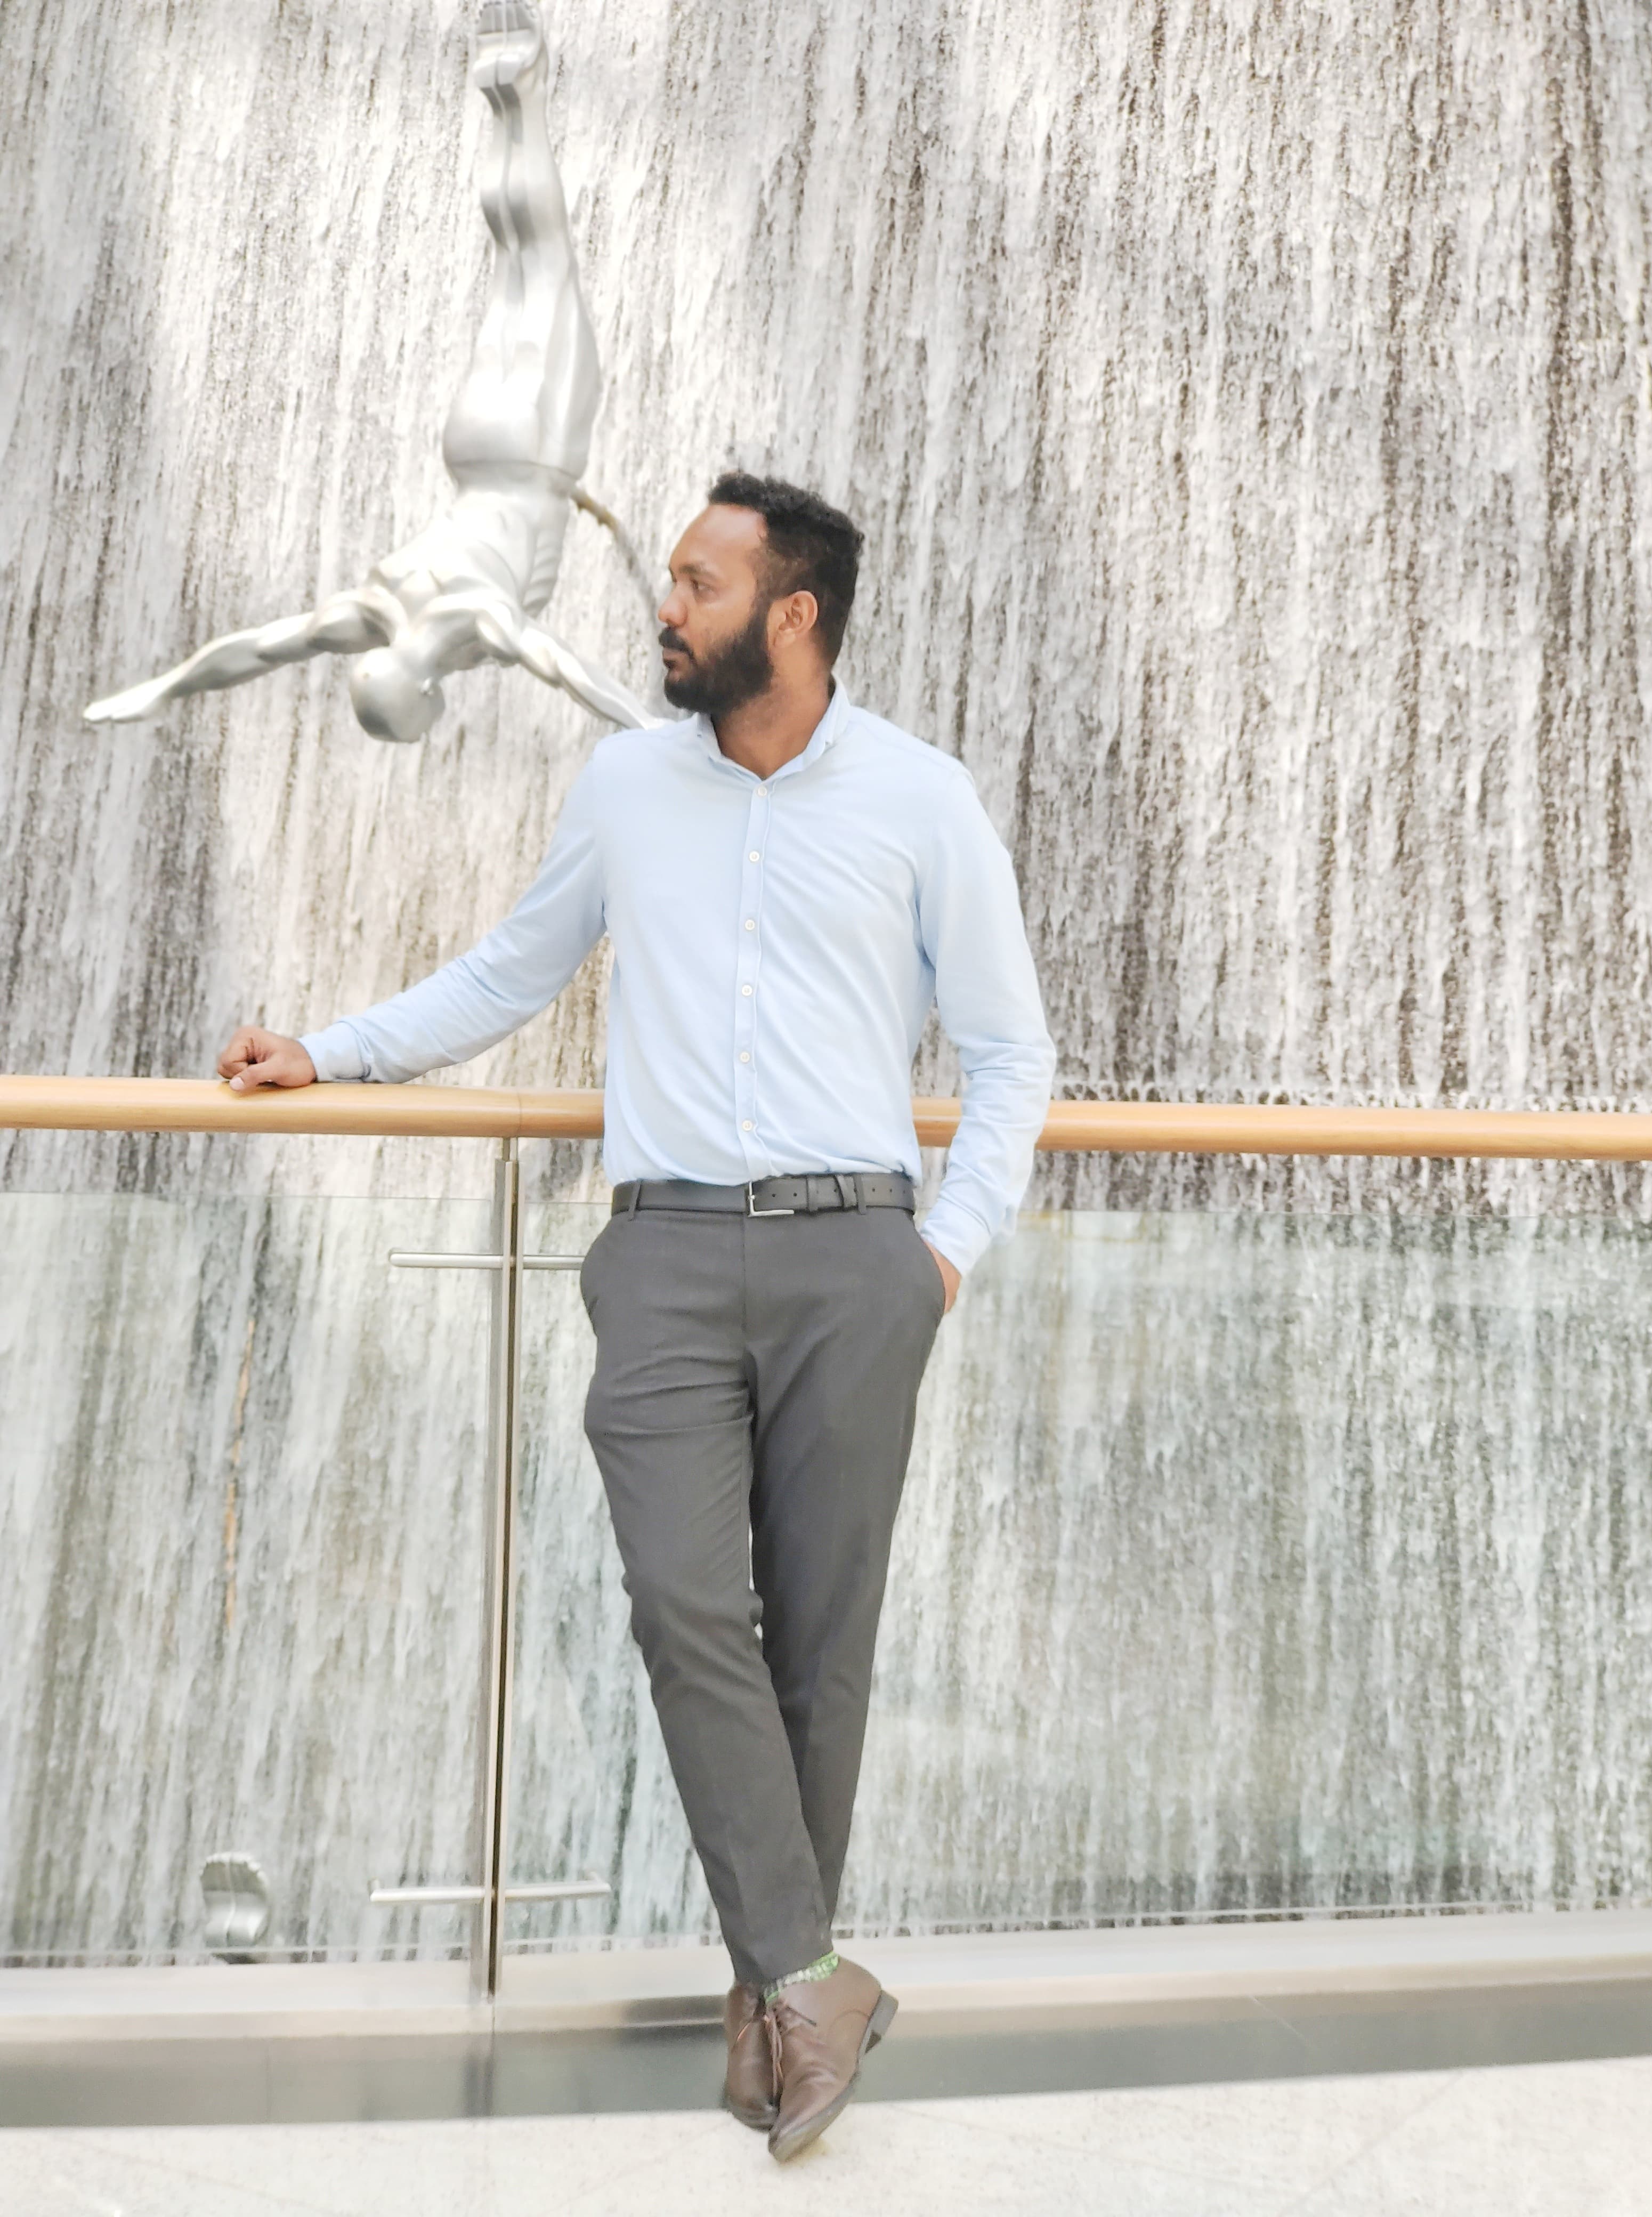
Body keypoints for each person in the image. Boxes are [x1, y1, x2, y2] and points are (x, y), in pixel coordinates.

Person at [218, 472, 1056, 2161]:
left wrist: (943, 1254)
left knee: (821, 1647)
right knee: (684, 1606)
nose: (664, 608)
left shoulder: (922, 797)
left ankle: (777, 2016)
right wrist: (331, 1047)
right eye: (671, 577)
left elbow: (1010, 1050)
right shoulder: (625, 783)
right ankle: (811, 1978)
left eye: (697, 583)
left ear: (793, 615)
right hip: (664, 1254)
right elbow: (510, 969)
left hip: (858, 1258)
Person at [85, 2, 651, 741]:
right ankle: (506, 101)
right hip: (470, 449)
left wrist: (656, 731)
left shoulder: (478, 620)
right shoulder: (367, 610)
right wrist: (161, 689)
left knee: (543, 258)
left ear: (422, 690)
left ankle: (524, 96)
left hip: (537, 450)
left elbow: (571, 673)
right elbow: (259, 648)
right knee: (511, 260)